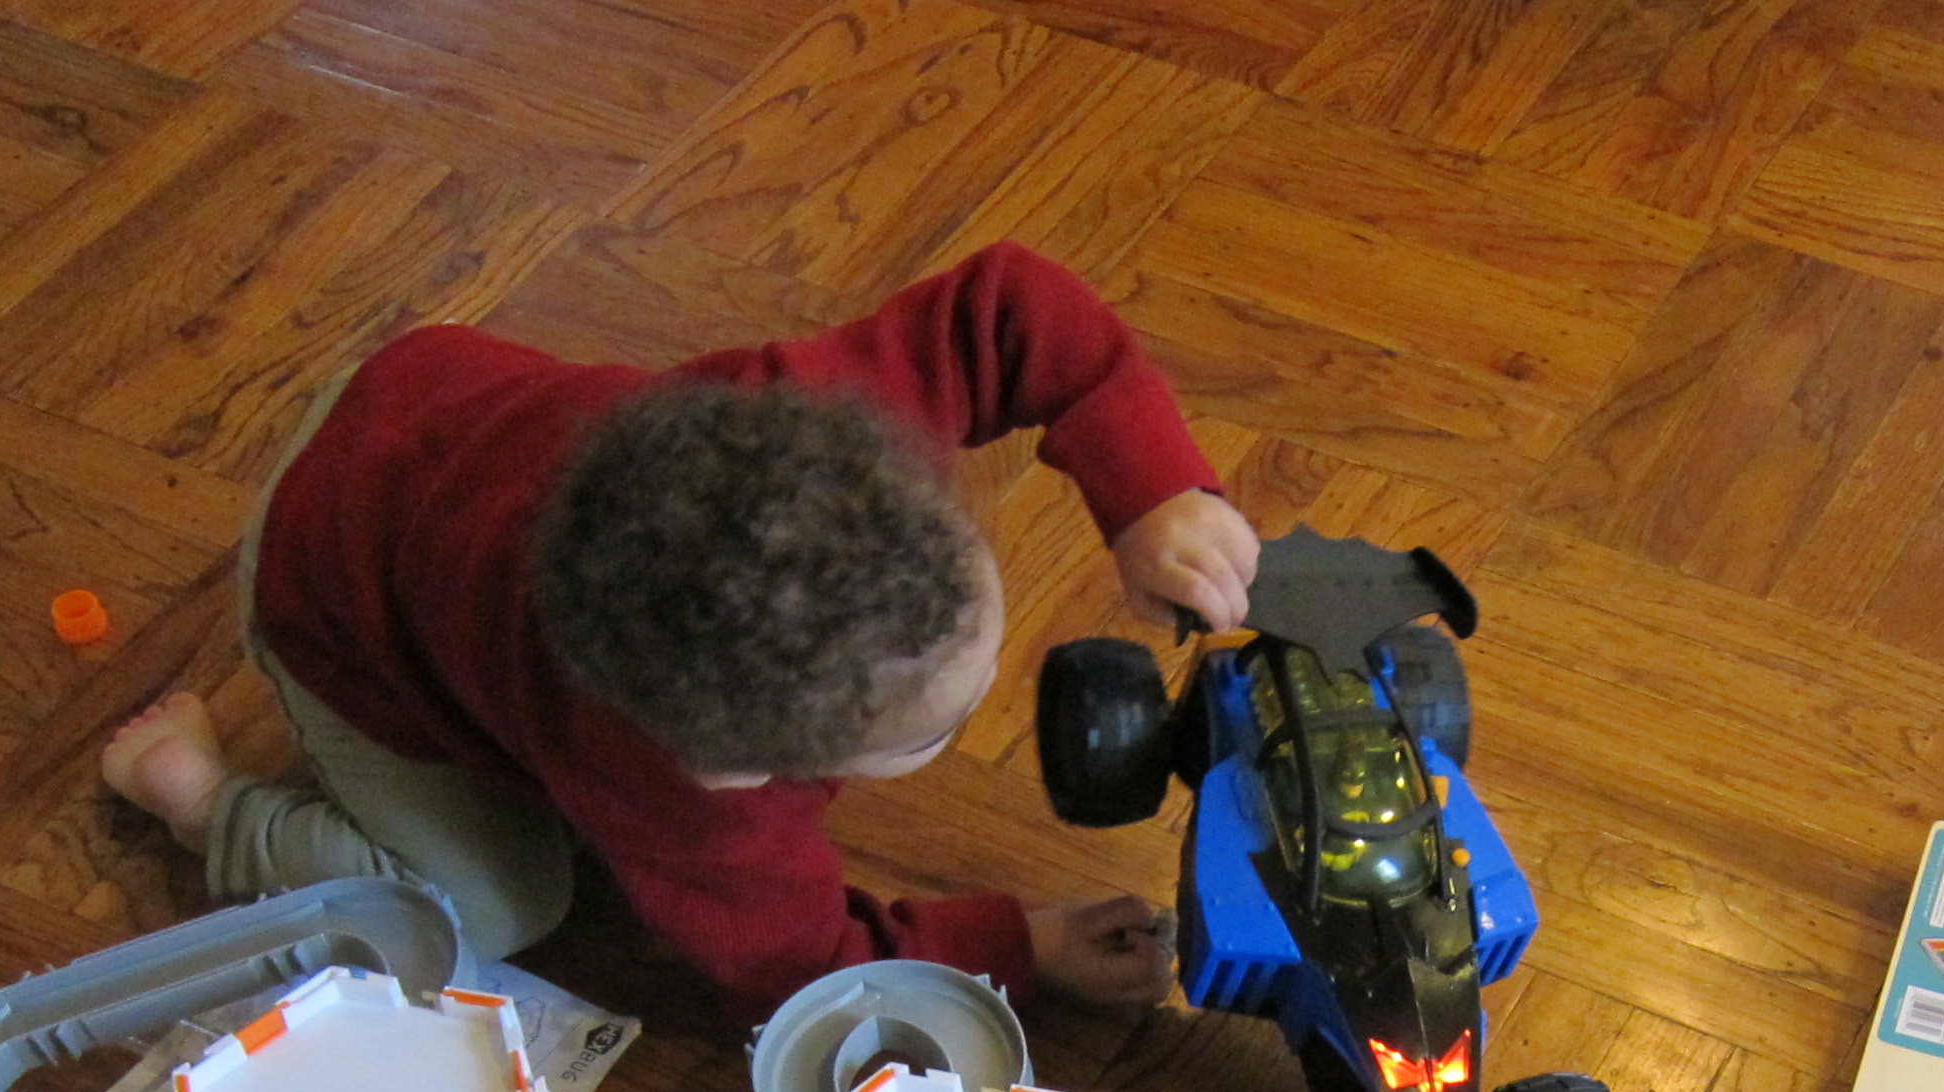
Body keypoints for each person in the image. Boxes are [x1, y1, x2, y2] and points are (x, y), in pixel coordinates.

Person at [99, 242, 1259, 1016]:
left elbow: (1011, 307)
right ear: (733, 770)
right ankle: (204, 804)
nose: (995, 687)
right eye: (931, 732)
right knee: (493, 910)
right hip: (330, 596)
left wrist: (1154, 490)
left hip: (414, 406)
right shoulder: (677, 798)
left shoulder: (816, 426)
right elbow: (796, 964)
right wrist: (1021, 947)